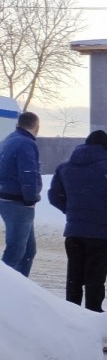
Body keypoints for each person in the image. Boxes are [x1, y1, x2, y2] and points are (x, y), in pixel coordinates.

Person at [48, 130, 107, 312]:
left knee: (74, 277)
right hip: (101, 234)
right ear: (105, 148)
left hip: (74, 231)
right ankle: (93, 316)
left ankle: (72, 316)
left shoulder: (64, 168)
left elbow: (54, 196)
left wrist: (73, 212)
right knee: (95, 278)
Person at [0, 111, 41, 276]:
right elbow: (28, 173)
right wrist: (31, 199)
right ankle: (7, 288)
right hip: (18, 202)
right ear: (35, 126)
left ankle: (21, 290)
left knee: (28, 251)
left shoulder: (9, 140)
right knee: (17, 250)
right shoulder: (26, 144)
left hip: (7, 198)